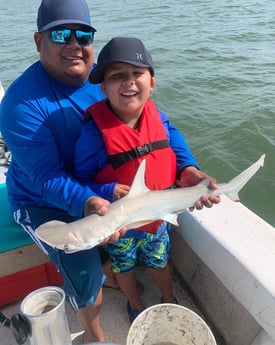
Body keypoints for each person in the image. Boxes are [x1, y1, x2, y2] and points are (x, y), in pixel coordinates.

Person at [0, 0, 126, 342]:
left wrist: (185, 166)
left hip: (91, 185)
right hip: (39, 200)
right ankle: (95, 335)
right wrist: (91, 205)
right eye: (61, 34)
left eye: (83, 34)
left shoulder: (107, 80)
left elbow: (151, 122)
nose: (74, 44)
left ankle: (106, 270)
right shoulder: (20, 104)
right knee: (83, 271)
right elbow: (46, 179)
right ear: (39, 41)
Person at [73, 37, 220, 323]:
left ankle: (169, 299)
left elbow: (179, 155)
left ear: (152, 82)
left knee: (161, 262)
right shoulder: (93, 134)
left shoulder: (161, 119)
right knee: (123, 269)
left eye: (136, 73)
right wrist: (108, 189)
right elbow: (80, 182)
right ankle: (135, 304)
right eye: (117, 76)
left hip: (157, 220)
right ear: (103, 88)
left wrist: (193, 173)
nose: (128, 82)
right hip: (120, 228)